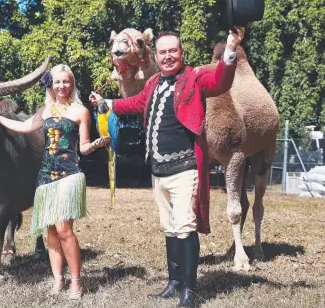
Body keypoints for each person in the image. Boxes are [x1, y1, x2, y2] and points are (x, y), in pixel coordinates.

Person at [90, 27, 245, 307]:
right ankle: (174, 283)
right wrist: (108, 102)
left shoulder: (196, 78)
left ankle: (190, 290)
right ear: (156, 56)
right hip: (158, 171)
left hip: (186, 168)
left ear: (181, 53)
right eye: (162, 52)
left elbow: (221, 81)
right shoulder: (152, 84)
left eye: (173, 51)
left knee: (185, 226)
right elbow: (137, 103)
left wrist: (231, 49)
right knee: (170, 227)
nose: (168, 56)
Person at [0, 64, 109, 300]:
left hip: (69, 175)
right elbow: (25, 127)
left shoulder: (81, 111)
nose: (62, 86)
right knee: (50, 231)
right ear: (51, 84)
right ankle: (58, 280)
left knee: (64, 229)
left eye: (66, 81)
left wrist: (97, 144)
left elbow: (84, 147)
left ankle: (76, 282)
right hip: (46, 176)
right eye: (57, 82)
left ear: (72, 84)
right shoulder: (45, 110)